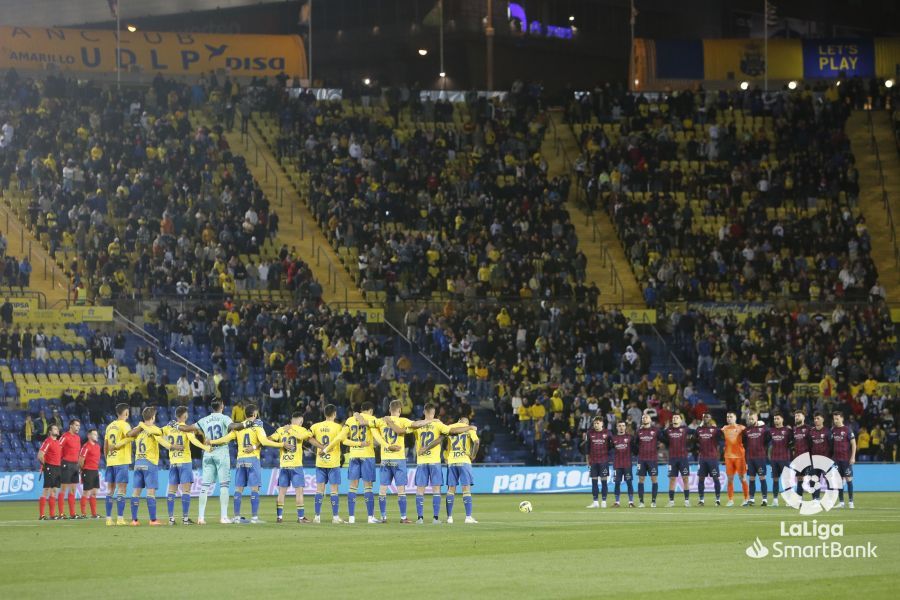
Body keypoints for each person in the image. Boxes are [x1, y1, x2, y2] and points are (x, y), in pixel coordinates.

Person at [208, 403, 286, 523]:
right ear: (255, 414)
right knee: (255, 489)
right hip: (252, 459)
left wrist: (212, 441)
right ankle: (254, 518)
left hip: (240, 461)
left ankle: (237, 517)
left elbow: (226, 439)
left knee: (238, 490)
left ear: (245, 414)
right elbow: (265, 442)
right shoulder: (258, 427)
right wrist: (282, 444)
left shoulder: (239, 428)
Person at [324, 401, 388, 524]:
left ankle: (352, 518)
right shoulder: (371, 419)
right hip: (367, 455)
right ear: (370, 411)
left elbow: (341, 439)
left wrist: (326, 449)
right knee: (368, 488)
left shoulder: (350, 420)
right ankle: (370, 518)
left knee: (352, 487)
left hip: (354, 456)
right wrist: (387, 446)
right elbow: (377, 437)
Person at [411, 403, 472, 524]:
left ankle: (420, 518)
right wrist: (469, 427)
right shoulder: (438, 424)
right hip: (434, 462)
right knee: (436, 489)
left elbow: (408, 427)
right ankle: (435, 518)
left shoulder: (417, 425)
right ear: (434, 413)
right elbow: (453, 431)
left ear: (424, 412)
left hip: (421, 461)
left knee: (420, 490)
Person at [270, 411, 325, 523]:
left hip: (284, 465)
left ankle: (279, 517)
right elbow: (310, 439)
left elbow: (269, 439)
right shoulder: (302, 430)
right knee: (299, 492)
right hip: (296, 465)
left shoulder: (281, 430)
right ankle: (301, 518)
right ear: (301, 421)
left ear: (291, 419)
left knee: (281, 492)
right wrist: (322, 447)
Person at [127, 407, 176, 526]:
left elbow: (128, 435)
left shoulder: (138, 430)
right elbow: (163, 442)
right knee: (151, 492)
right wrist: (172, 446)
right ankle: (153, 520)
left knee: (136, 492)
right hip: (149, 463)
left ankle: (134, 520)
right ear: (153, 417)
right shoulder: (154, 429)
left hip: (138, 463)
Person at [162, 406, 209, 525]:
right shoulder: (186, 429)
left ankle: (171, 519)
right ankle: (185, 518)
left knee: (171, 491)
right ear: (185, 416)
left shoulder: (169, 428)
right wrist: (205, 447)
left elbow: (160, 435)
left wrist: (169, 445)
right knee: (186, 491)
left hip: (173, 463)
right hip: (185, 462)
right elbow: (193, 441)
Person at [192, 399, 233, 524]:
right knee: (224, 485)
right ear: (222, 406)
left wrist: (178, 426)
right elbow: (232, 428)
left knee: (205, 485)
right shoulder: (225, 418)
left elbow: (190, 428)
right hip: (221, 452)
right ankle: (224, 517)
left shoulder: (204, 419)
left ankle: (200, 517)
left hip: (208, 452)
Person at [376, 400, 413, 523]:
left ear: (389, 409)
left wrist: (358, 415)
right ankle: (403, 517)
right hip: (398, 459)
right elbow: (416, 425)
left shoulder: (381, 421)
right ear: (400, 410)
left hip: (385, 459)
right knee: (401, 489)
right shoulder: (403, 421)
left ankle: (383, 517)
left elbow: (367, 423)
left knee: (382, 489)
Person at [309, 404, 346, 524]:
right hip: (333, 463)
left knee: (319, 490)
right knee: (334, 490)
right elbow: (344, 440)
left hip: (320, 462)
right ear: (334, 414)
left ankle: (317, 517)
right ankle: (335, 517)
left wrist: (320, 447)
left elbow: (308, 437)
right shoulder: (338, 427)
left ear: (324, 414)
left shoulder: (316, 426)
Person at [104, 403, 135, 526]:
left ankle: (108, 519)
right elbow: (130, 435)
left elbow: (105, 445)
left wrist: (108, 459)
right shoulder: (125, 425)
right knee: (122, 489)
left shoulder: (110, 426)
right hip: (121, 461)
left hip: (110, 461)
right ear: (126, 413)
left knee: (110, 490)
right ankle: (120, 518)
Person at [445, 415, 479, 524]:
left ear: (458, 420)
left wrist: (445, 456)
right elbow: (477, 442)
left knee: (451, 489)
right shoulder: (470, 428)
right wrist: (473, 455)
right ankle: (468, 517)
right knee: (466, 489)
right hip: (464, 461)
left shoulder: (450, 427)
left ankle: (449, 518)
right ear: (466, 423)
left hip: (452, 461)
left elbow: (442, 441)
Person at [661, 413, 692, 507]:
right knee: (672, 479)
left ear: (681, 420)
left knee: (685, 478)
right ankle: (671, 501)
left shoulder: (685, 429)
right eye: (673, 417)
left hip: (683, 458)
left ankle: (687, 501)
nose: (674, 419)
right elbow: (660, 436)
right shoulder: (668, 430)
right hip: (672, 459)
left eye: (677, 417)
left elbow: (696, 432)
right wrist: (664, 428)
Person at [584, 416, 612, 508]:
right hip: (594, 461)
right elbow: (587, 448)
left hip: (604, 461)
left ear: (602, 424)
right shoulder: (589, 433)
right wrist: (587, 460)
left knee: (604, 481)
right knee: (594, 482)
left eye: (598, 423)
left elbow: (612, 446)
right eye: (595, 423)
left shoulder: (608, 433)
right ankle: (595, 502)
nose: (596, 425)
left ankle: (604, 501)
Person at [722, 411, 748, 507]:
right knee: (730, 479)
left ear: (735, 418)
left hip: (740, 457)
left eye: (731, 416)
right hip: (728, 457)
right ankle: (730, 500)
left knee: (743, 478)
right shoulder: (724, 428)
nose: (729, 418)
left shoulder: (741, 428)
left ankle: (746, 499)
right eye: (727, 416)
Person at [695, 412, 722, 506]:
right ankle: (701, 500)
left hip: (712, 458)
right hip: (702, 458)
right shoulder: (699, 430)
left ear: (711, 419)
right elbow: (694, 440)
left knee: (715, 478)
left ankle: (718, 499)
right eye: (704, 417)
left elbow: (721, 438)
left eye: (708, 417)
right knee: (701, 478)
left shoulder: (715, 430)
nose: (706, 418)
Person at [743, 412, 769, 507]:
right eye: (749, 419)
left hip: (760, 457)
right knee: (752, 478)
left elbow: (768, 438)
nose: (750, 420)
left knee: (762, 478)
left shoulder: (763, 429)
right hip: (750, 458)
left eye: (752, 418)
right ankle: (752, 499)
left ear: (757, 418)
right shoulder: (746, 431)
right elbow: (745, 444)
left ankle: (765, 499)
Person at [831, 411, 857, 509]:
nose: (836, 420)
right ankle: (841, 502)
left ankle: (851, 502)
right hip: (836, 460)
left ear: (842, 418)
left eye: (837, 418)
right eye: (834, 419)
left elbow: (854, 444)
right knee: (839, 481)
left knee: (849, 479)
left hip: (846, 459)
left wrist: (853, 457)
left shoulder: (847, 430)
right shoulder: (833, 430)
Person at [767, 412, 793, 508]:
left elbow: (792, 442)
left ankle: (789, 500)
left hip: (785, 459)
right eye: (774, 419)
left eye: (777, 418)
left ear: (782, 420)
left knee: (786, 480)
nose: (776, 420)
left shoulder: (788, 430)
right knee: (775, 480)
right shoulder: (771, 431)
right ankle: (775, 500)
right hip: (774, 459)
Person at [58, 418, 82, 519]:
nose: (78, 428)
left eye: (79, 426)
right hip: (66, 464)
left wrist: (80, 465)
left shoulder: (78, 438)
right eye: (76, 425)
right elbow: (58, 448)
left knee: (73, 490)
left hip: (75, 465)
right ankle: (61, 513)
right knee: (63, 489)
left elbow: (78, 453)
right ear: (71, 426)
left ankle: (73, 513)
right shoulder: (64, 436)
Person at [37, 424, 62, 520]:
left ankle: (52, 515)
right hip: (50, 467)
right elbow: (40, 455)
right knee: (46, 489)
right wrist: (45, 465)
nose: (57, 430)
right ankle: (42, 515)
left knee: (54, 490)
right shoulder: (47, 441)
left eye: (57, 428)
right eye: (55, 429)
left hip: (58, 467)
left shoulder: (58, 443)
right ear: (50, 432)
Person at [635, 413, 660, 508]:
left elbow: (662, 439)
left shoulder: (655, 430)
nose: (644, 419)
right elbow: (635, 443)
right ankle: (641, 502)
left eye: (646, 417)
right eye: (643, 418)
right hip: (641, 459)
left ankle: (653, 501)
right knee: (641, 479)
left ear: (650, 420)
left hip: (652, 459)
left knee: (654, 479)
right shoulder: (639, 431)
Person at [78, 428, 101, 518]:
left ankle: (94, 514)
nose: (96, 436)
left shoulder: (98, 446)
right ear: (89, 436)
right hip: (87, 470)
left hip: (95, 471)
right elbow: (81, 460)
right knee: (86, 492)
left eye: (97, 434)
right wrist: (83, 469)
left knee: (94, 492)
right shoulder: (85, 446)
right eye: (94, 434)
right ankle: (83, 513)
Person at [611, 421, 635, 508]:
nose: (621, 427)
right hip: (617, 464)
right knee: (617, 483)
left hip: (627, 464)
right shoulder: (613, 438)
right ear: (617, 427)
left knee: (629, 482)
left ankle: (631, 502)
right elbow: (609, 449)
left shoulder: (630, 437)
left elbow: (634, 450)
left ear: (625, 427)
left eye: (623, 426)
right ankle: (617, 502)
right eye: (619, 426)